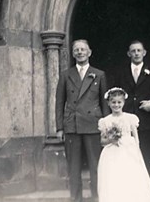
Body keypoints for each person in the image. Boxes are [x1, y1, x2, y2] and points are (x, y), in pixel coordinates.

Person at [55, 39, 110, 202]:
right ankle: (76, 199)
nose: (80, 52)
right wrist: (59, 127)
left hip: (93, 125)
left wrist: (106, 125)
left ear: (89, 52)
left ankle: (97, 197)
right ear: (73, 53)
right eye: (76, 50)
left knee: (95, 166)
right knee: (74, 167)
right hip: (72, 125)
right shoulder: (66, 75)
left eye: (83, 49)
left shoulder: (99, 74)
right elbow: (59, 102)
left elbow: (103, 101)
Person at [114, 40, 150, 190]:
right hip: (126, 121)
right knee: (128, 158)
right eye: (133, 51)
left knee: (148, 158)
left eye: (139, 50)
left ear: (144, 53)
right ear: (129, 54)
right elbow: (116, 93)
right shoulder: (121, 72)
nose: (136, 53)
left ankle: (149, 193)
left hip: (147, 122)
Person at [97, 87, 150, 202]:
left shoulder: (130, 118)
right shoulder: (105, 121)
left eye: (119, 102)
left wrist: (136, 152)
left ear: (124, 102)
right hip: (112, 152)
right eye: (113, 102)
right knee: (113, 177)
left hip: (128, 151)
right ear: (108, 103)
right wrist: (111, 139)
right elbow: (102, 141)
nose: (116, 105)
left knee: (130, 177)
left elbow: (136, 137)